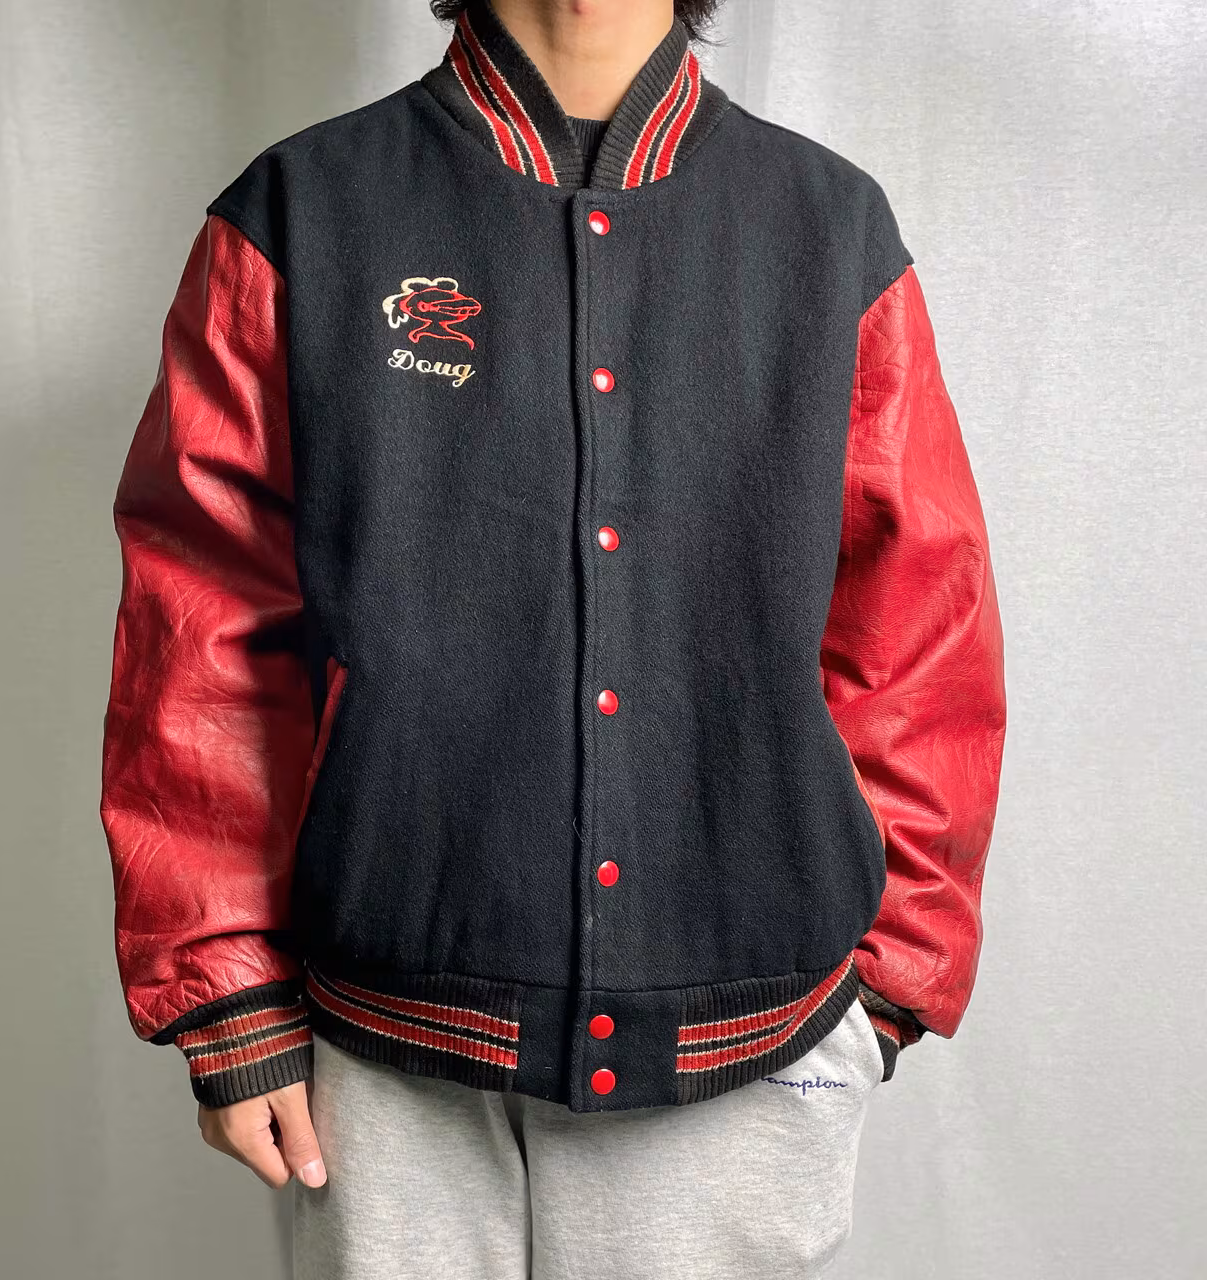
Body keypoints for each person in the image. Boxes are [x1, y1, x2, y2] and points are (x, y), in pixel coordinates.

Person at [99, 0, 1007, 1275]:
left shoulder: (827, 227)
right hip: (378, 1039)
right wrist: (226, 995)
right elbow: (202, 627)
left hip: (749, 1036)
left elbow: (917, 626)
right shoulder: (302, 211)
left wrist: (890, 985)